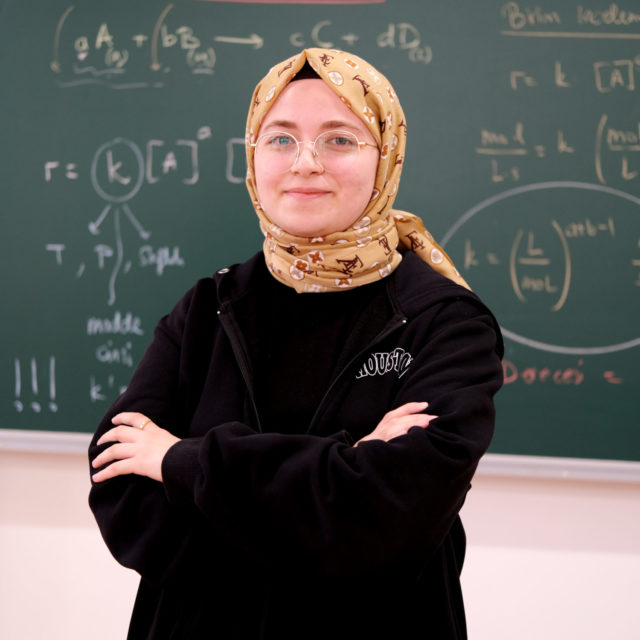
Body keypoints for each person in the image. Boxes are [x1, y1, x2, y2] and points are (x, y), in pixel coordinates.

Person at [89, 48, 503, 639]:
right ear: (253, 156)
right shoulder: (207, 307)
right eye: (280, 139)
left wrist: (182, 462)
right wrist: (340, 471)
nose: (305, 163)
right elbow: (123, 495)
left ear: (385, 156)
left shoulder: (446, 322)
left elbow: (394, 515)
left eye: (339, 140)